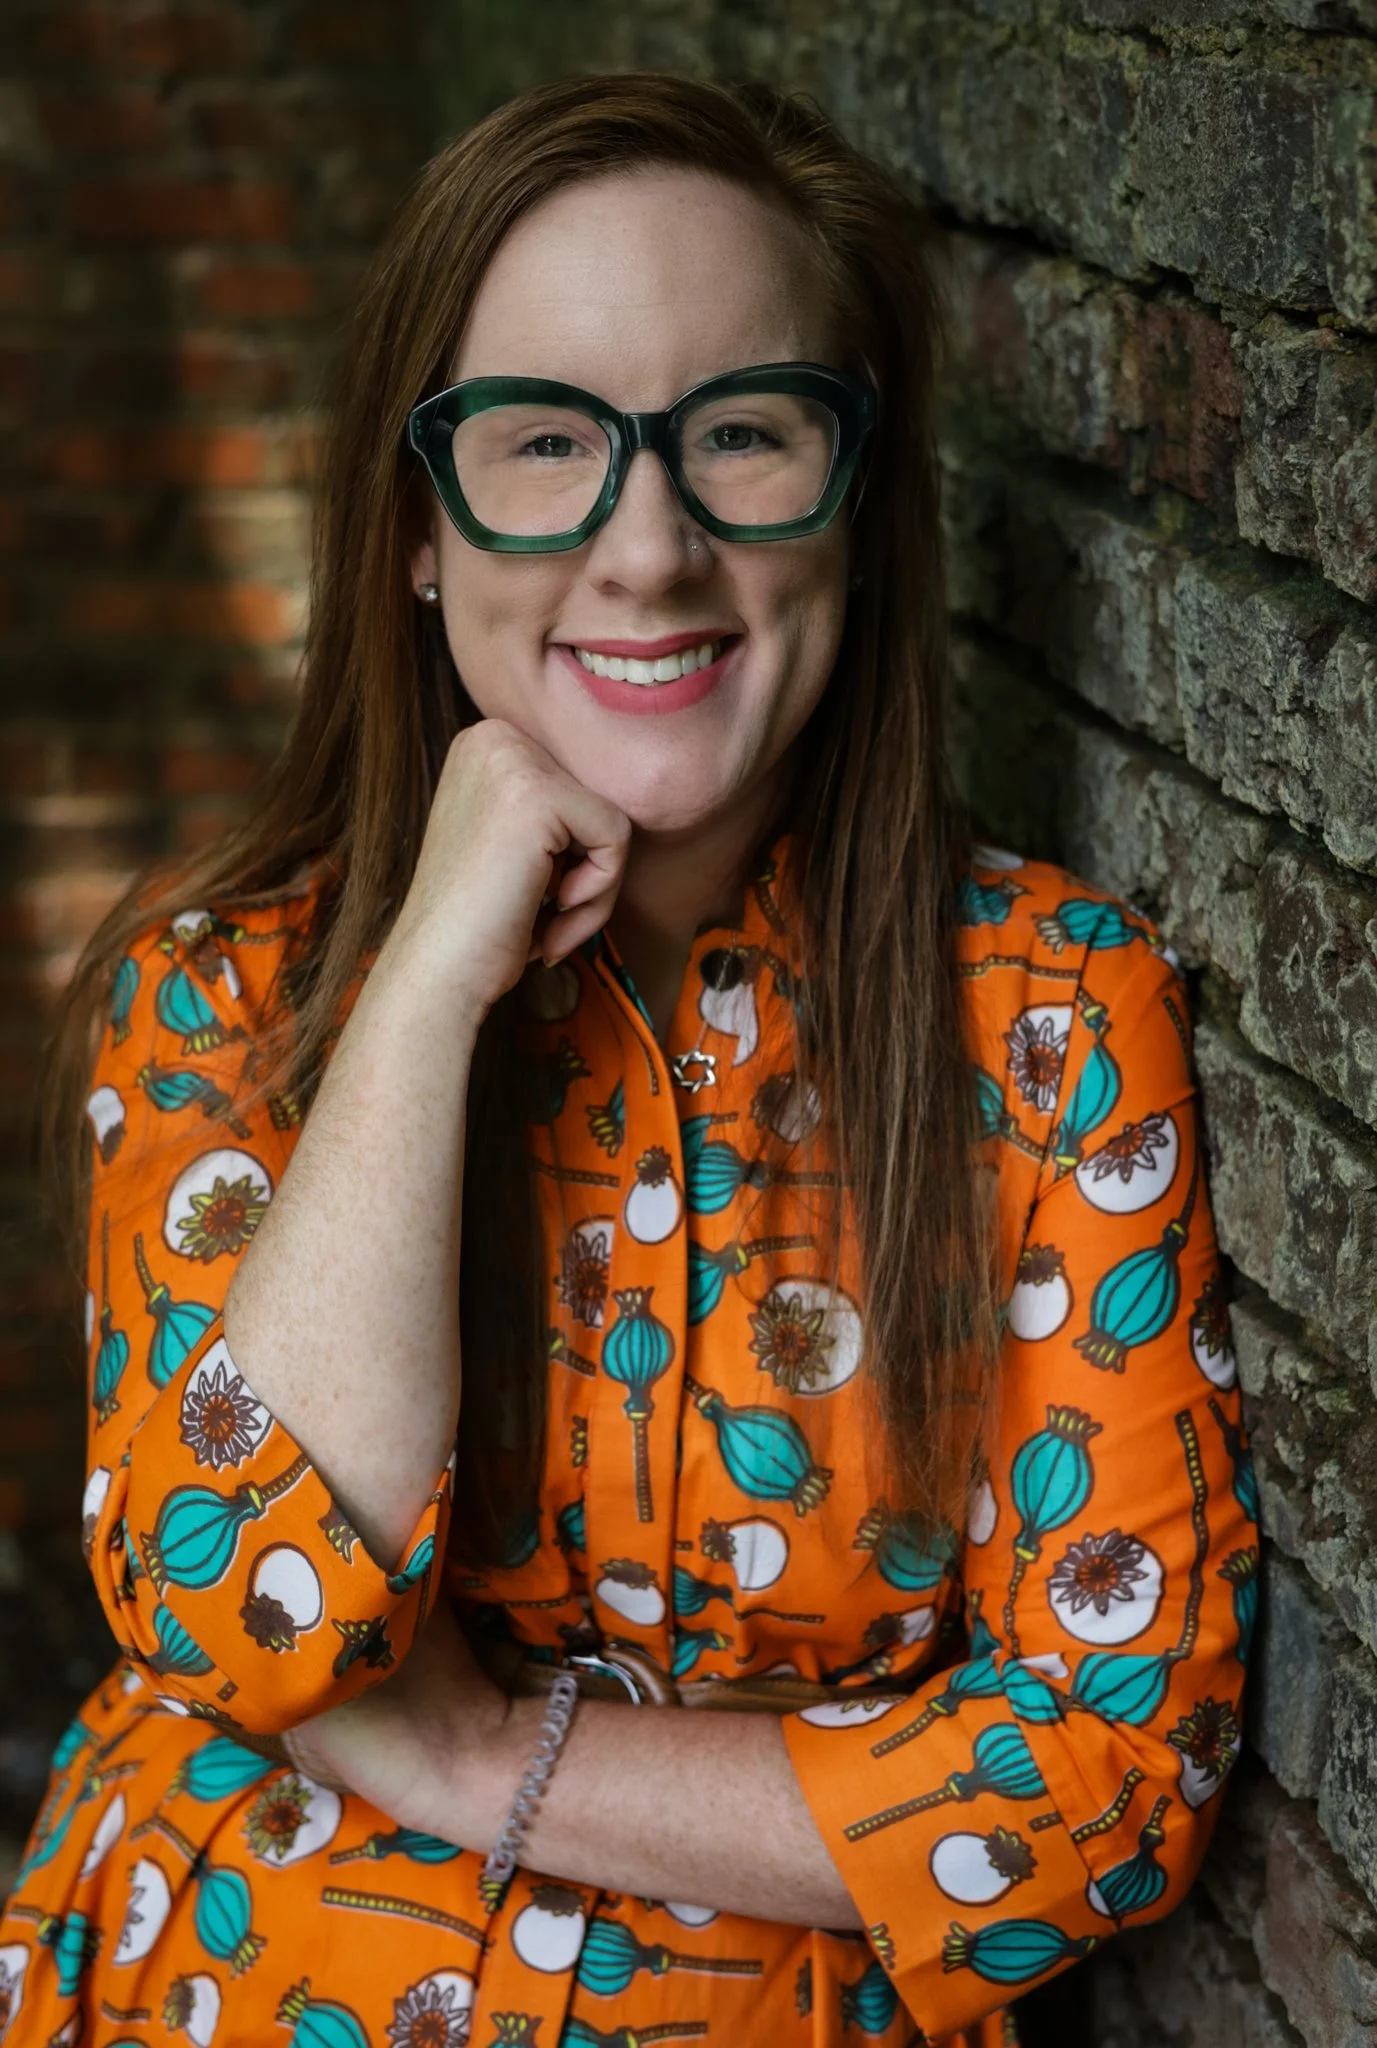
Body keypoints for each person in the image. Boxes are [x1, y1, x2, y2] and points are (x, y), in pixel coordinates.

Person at [0, 72, 1257, 2048]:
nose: (649, 546)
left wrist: (460, 1752)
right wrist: (419, 988)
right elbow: (248, 1615)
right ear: (419, 530)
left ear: (856, 498)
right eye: (544, 444)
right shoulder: (221, 990)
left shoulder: (1044, 1019)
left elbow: (1102, 1782)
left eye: (741, 436)